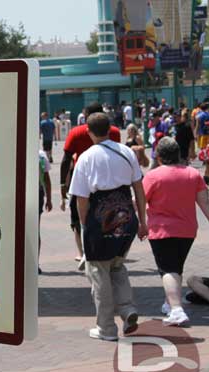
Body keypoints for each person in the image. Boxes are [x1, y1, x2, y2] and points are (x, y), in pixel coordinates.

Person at [69, 113, 147, 341]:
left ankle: (106, 328)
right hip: (126, 217)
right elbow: (139, 191)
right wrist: (142, 222)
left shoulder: (85, 158)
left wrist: (85, 225)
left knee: (98, 272)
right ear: (110, 129)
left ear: (89, 131)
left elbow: (81, 199)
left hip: (100, 218)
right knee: (117, 266)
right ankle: (127, 308)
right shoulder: (126, 151)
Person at [143, 137, 209, 326]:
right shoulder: (193, 174)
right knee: (176, 267)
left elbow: (140, 202)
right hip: (187, 230)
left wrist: (139, 223)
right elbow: (205, 202)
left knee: (168, 269)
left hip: (161, 230)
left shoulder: (153, 176)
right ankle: (168, 302)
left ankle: (176, 309)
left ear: (159, 157)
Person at [60, 102, 121, 269]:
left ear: (87, 116)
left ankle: (83, 252)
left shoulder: (76, 132)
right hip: (108, 179)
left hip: (82, 179)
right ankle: (111, 249)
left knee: (79, 216)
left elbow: (66, 159)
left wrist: (62, 185)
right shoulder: (114, 132)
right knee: (109, 213)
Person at [38, 150, 52, 274]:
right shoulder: (41, 155)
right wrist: (49, 199)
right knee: (35, 229)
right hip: (38, 192)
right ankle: (35, 263)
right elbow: (47, 179)